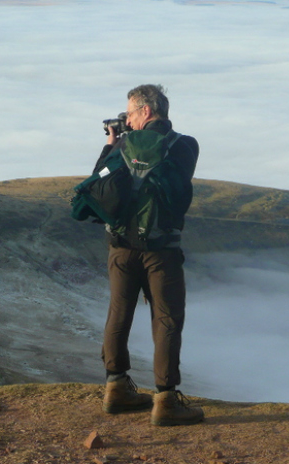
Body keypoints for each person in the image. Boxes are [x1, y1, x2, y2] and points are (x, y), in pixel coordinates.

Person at [94, 84, 203, 426]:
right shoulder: (185, 145)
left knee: (119, 312)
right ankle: (166, 401)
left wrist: (112, 143)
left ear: (146, 110)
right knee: (166, 319)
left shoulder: (122, 146)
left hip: (121, 248)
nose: (126, 120)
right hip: (161, 250)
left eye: (129, 113)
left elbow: (97, 181)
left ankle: (115, 388)